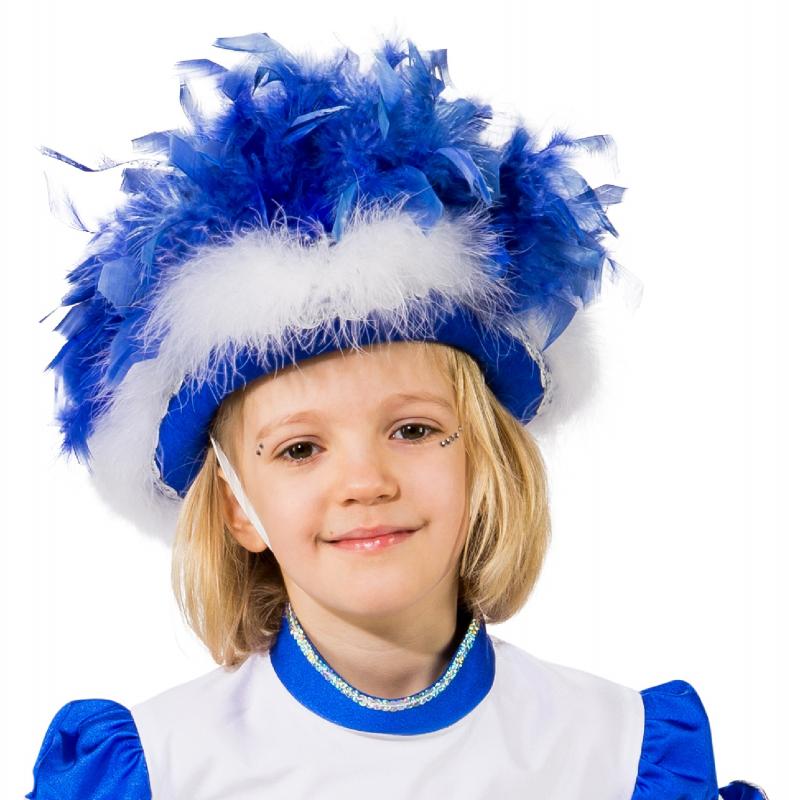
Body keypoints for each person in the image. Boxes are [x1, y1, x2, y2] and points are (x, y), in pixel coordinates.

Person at [27, 31, 769, 800]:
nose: (365, 481)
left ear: (485, 458)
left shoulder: (613, 752)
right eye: (299, 448)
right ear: (236, 508)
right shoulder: (164, 767)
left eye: (413, 430)